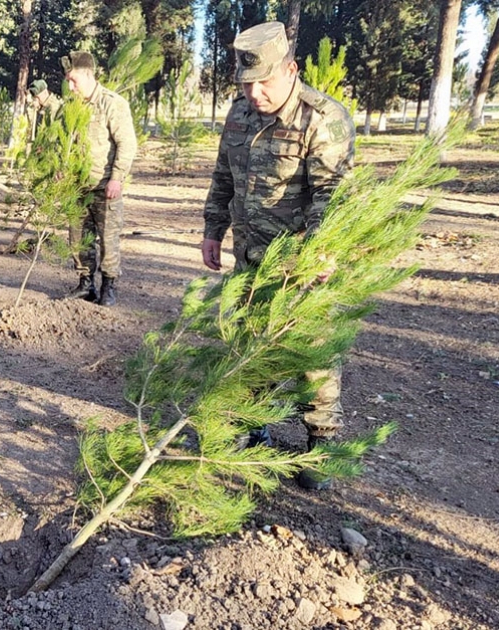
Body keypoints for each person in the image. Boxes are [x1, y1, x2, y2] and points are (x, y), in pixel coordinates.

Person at [200, 21, 356, 490]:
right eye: (247, 84)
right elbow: (223, 176)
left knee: (311, 352)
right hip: (248, 255)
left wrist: (320, 251)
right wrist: (213, 228)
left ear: (290, 69)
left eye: (264, 82)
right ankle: (253, 424)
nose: (255, 93)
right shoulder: (240, 114)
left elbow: (332, 194)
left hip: (301, 264)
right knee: (249, 342)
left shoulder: (322, 119)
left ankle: (321, 443)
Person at [62, 51, 137, 307]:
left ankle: (108, 286)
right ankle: (86, 285)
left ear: (87, 75)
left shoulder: (112, 103)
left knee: (108, 239)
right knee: (77, 238)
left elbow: (126, 143)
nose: (70, 87)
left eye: (74, 81)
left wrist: (117, 178)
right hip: (77, 187)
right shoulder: (71, 107)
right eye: (68, 81)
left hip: (105, 187)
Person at [26, 79, 63, 145]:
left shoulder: (53, 106)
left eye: (37, 97)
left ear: (45, 92)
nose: (36, 99)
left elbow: (52, 132)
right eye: (34, 97)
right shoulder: (42, 106)